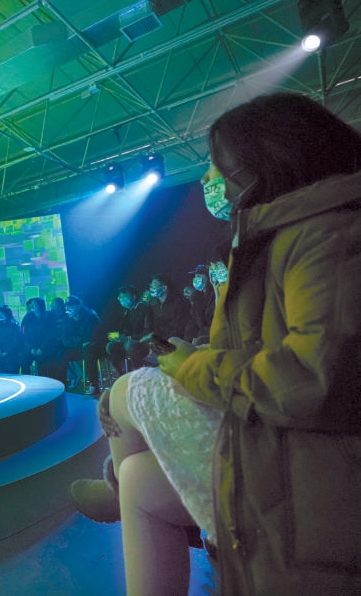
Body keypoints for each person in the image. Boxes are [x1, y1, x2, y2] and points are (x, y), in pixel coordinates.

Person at [71, 92, 361, 595]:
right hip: (274, 434)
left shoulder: (330, 234)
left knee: (128, 389)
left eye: (217, 165)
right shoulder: (273, 239)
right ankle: (121, 483)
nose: (209, 178)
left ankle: (114, 484)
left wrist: (193, 367)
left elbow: (313, 378)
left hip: (309, 458)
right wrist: (198, 359)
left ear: (264, 161)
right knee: (141, 477)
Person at [63, 295, 106, 396]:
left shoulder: (90, 316)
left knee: (89, 350)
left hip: (95, 347)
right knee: (60, 353)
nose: (68, 309)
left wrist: (76, 340)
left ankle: (94, 385)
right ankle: (62, 383)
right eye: (67, 306)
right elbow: (65, 339)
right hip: (77, 346)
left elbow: (91, 336)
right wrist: (79, 342)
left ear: (78, 305)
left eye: (71, 306)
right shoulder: (67, 318)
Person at [105, 286, 150, 376]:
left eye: (124, 297)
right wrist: (116, 336)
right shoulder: (127, 311)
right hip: (129, 339)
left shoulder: (144, 308)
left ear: (133, 297)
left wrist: (128, 337)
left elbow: (147, 330)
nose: (121, 300)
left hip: (142, 340)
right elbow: (124, 330)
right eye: (120, 297)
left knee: (129, 345)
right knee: (111, 346)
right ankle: (121, 373)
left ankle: (139, 371)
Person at [0, 305, 24, 373]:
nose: (0, 316)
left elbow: (16, 342)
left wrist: (7, 352)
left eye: (2, 314)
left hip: (12, 352)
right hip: (0, 350)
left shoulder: (15, 326)